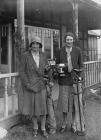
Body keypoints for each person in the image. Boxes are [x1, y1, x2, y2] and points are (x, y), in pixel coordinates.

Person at [57, 32, 85, 135]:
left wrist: (81, 79)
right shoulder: (60, 51)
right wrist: (60, 69)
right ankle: (64, 124)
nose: (69, 41)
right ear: (65, 40)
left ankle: (73, 124)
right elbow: (57, 64)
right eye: (67, 39)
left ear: (73, 40)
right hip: (64, 81)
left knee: (74, 104)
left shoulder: (77, 50)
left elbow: (81, 65)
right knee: (64, 104)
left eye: (71, 39)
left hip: (75, 81)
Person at [19, 36, 48, 138]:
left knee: (43, 109)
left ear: (40, 46)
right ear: (30, 45)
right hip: (30, 86)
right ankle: (35, 127)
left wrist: (49, 79)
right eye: (33, 44)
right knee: (33, 109)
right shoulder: (25, 56)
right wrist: (27, 84)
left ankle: (43, 128)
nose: (35, 46)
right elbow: (22, 71)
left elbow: (47, 70)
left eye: (37, 44)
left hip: (41, 85)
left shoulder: (43, 55)